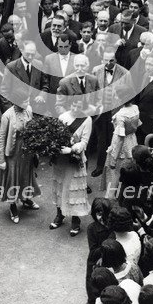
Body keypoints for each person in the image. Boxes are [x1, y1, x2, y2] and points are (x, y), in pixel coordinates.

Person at [0, 89, 40, 223]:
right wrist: (1, 159)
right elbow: (2, 138)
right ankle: (13, 205)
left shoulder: (28, 110)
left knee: (26, 175)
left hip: (26, 151)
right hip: (13, 152)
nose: (27, 103)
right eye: (24, 101)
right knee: (13, 177)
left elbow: (32, 129)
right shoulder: (6, 116)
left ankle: (26, 199)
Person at [50, 99, 92, 236]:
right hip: (61, 160)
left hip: (75, 159)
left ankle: (75, 221)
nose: (75, 107)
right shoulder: (63, 117)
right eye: (74, 104)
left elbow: (84, 142)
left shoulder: (87, 120)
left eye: (79, 106)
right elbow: (55, 136)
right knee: (60, 186)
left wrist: (72, 149)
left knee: (74, 189)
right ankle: (60, 215)